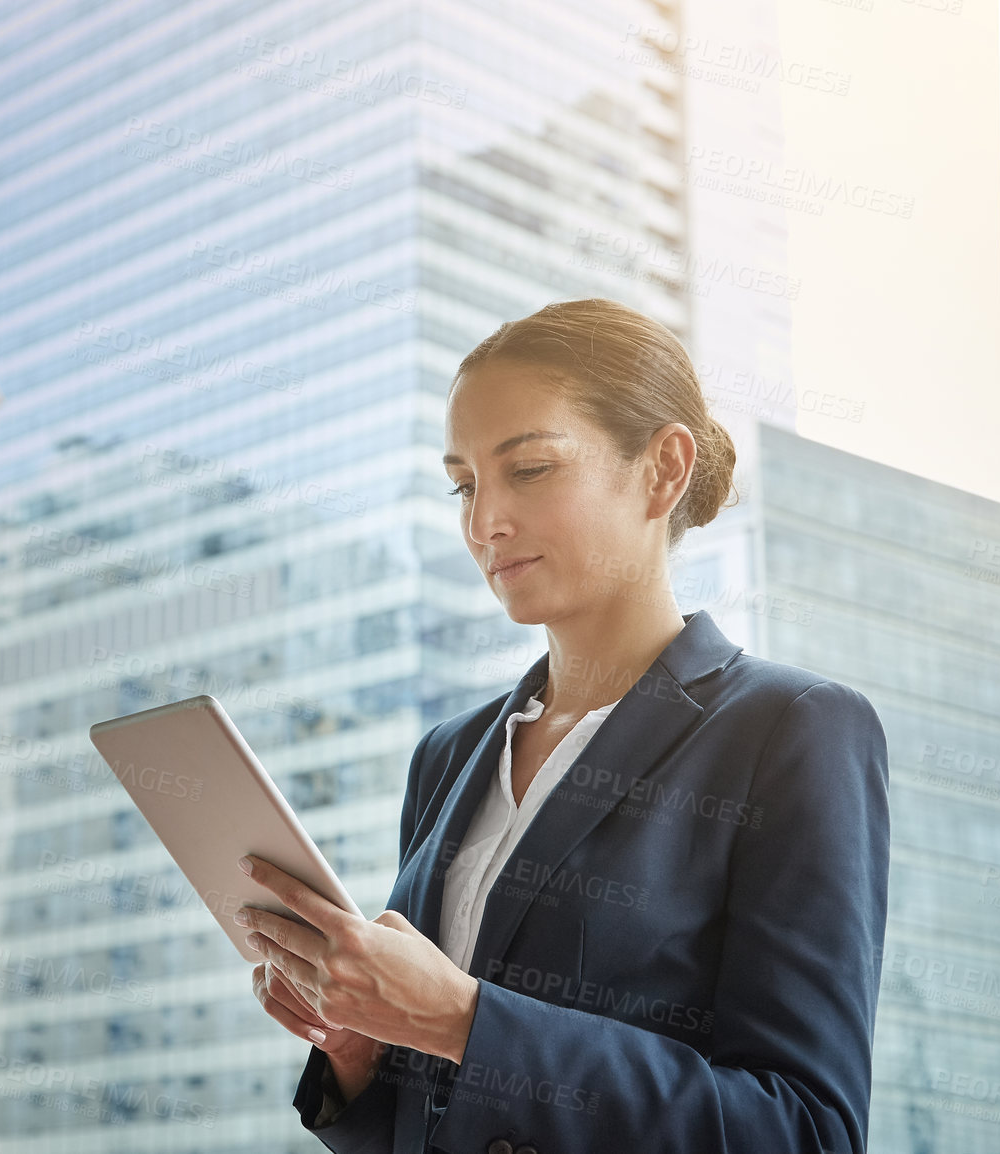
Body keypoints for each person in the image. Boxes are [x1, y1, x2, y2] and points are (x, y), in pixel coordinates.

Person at [238, 298, 889, 1153]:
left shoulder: (790, 731)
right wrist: (362, 1053)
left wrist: (463, 1022)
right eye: (463, 485)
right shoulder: (448, 756)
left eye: (530, 470)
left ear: (661, 469)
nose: (482, 524)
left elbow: (803, 1131)